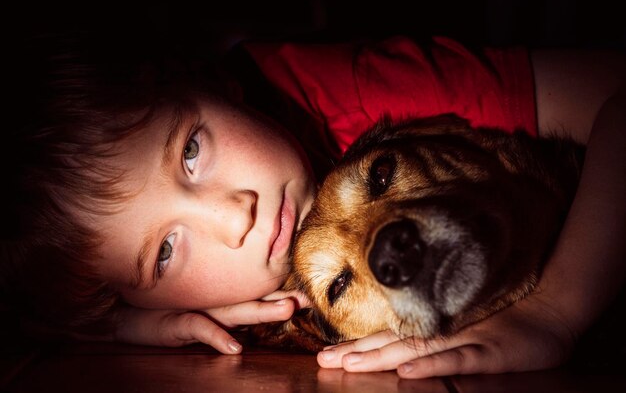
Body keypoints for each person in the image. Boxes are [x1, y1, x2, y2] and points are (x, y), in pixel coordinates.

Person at [1, 31, 624, 380]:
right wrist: (114, 321)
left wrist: (557, 312)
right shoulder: (134, 306)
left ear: (211, 87)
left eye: (190, 152)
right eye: (163, 252)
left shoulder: (362, 91)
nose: (234, 214)